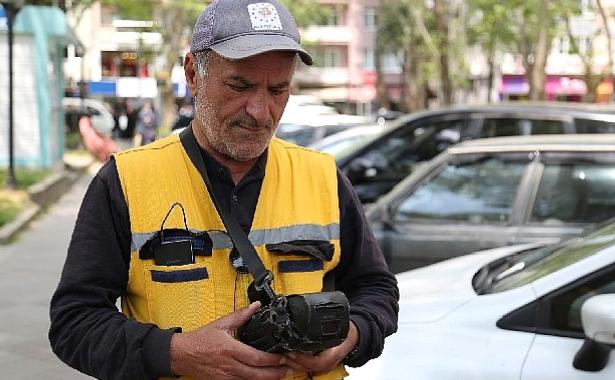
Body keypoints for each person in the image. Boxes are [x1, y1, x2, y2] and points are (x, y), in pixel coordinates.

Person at [49, 1, 399, 379]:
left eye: (278, 89)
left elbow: (376, 289)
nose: (261, 111)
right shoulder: (126, 180)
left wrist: (352, 336)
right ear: (193, 74)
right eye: (240, 85)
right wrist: (173, 353)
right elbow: (74, 321)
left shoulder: (324, 177)